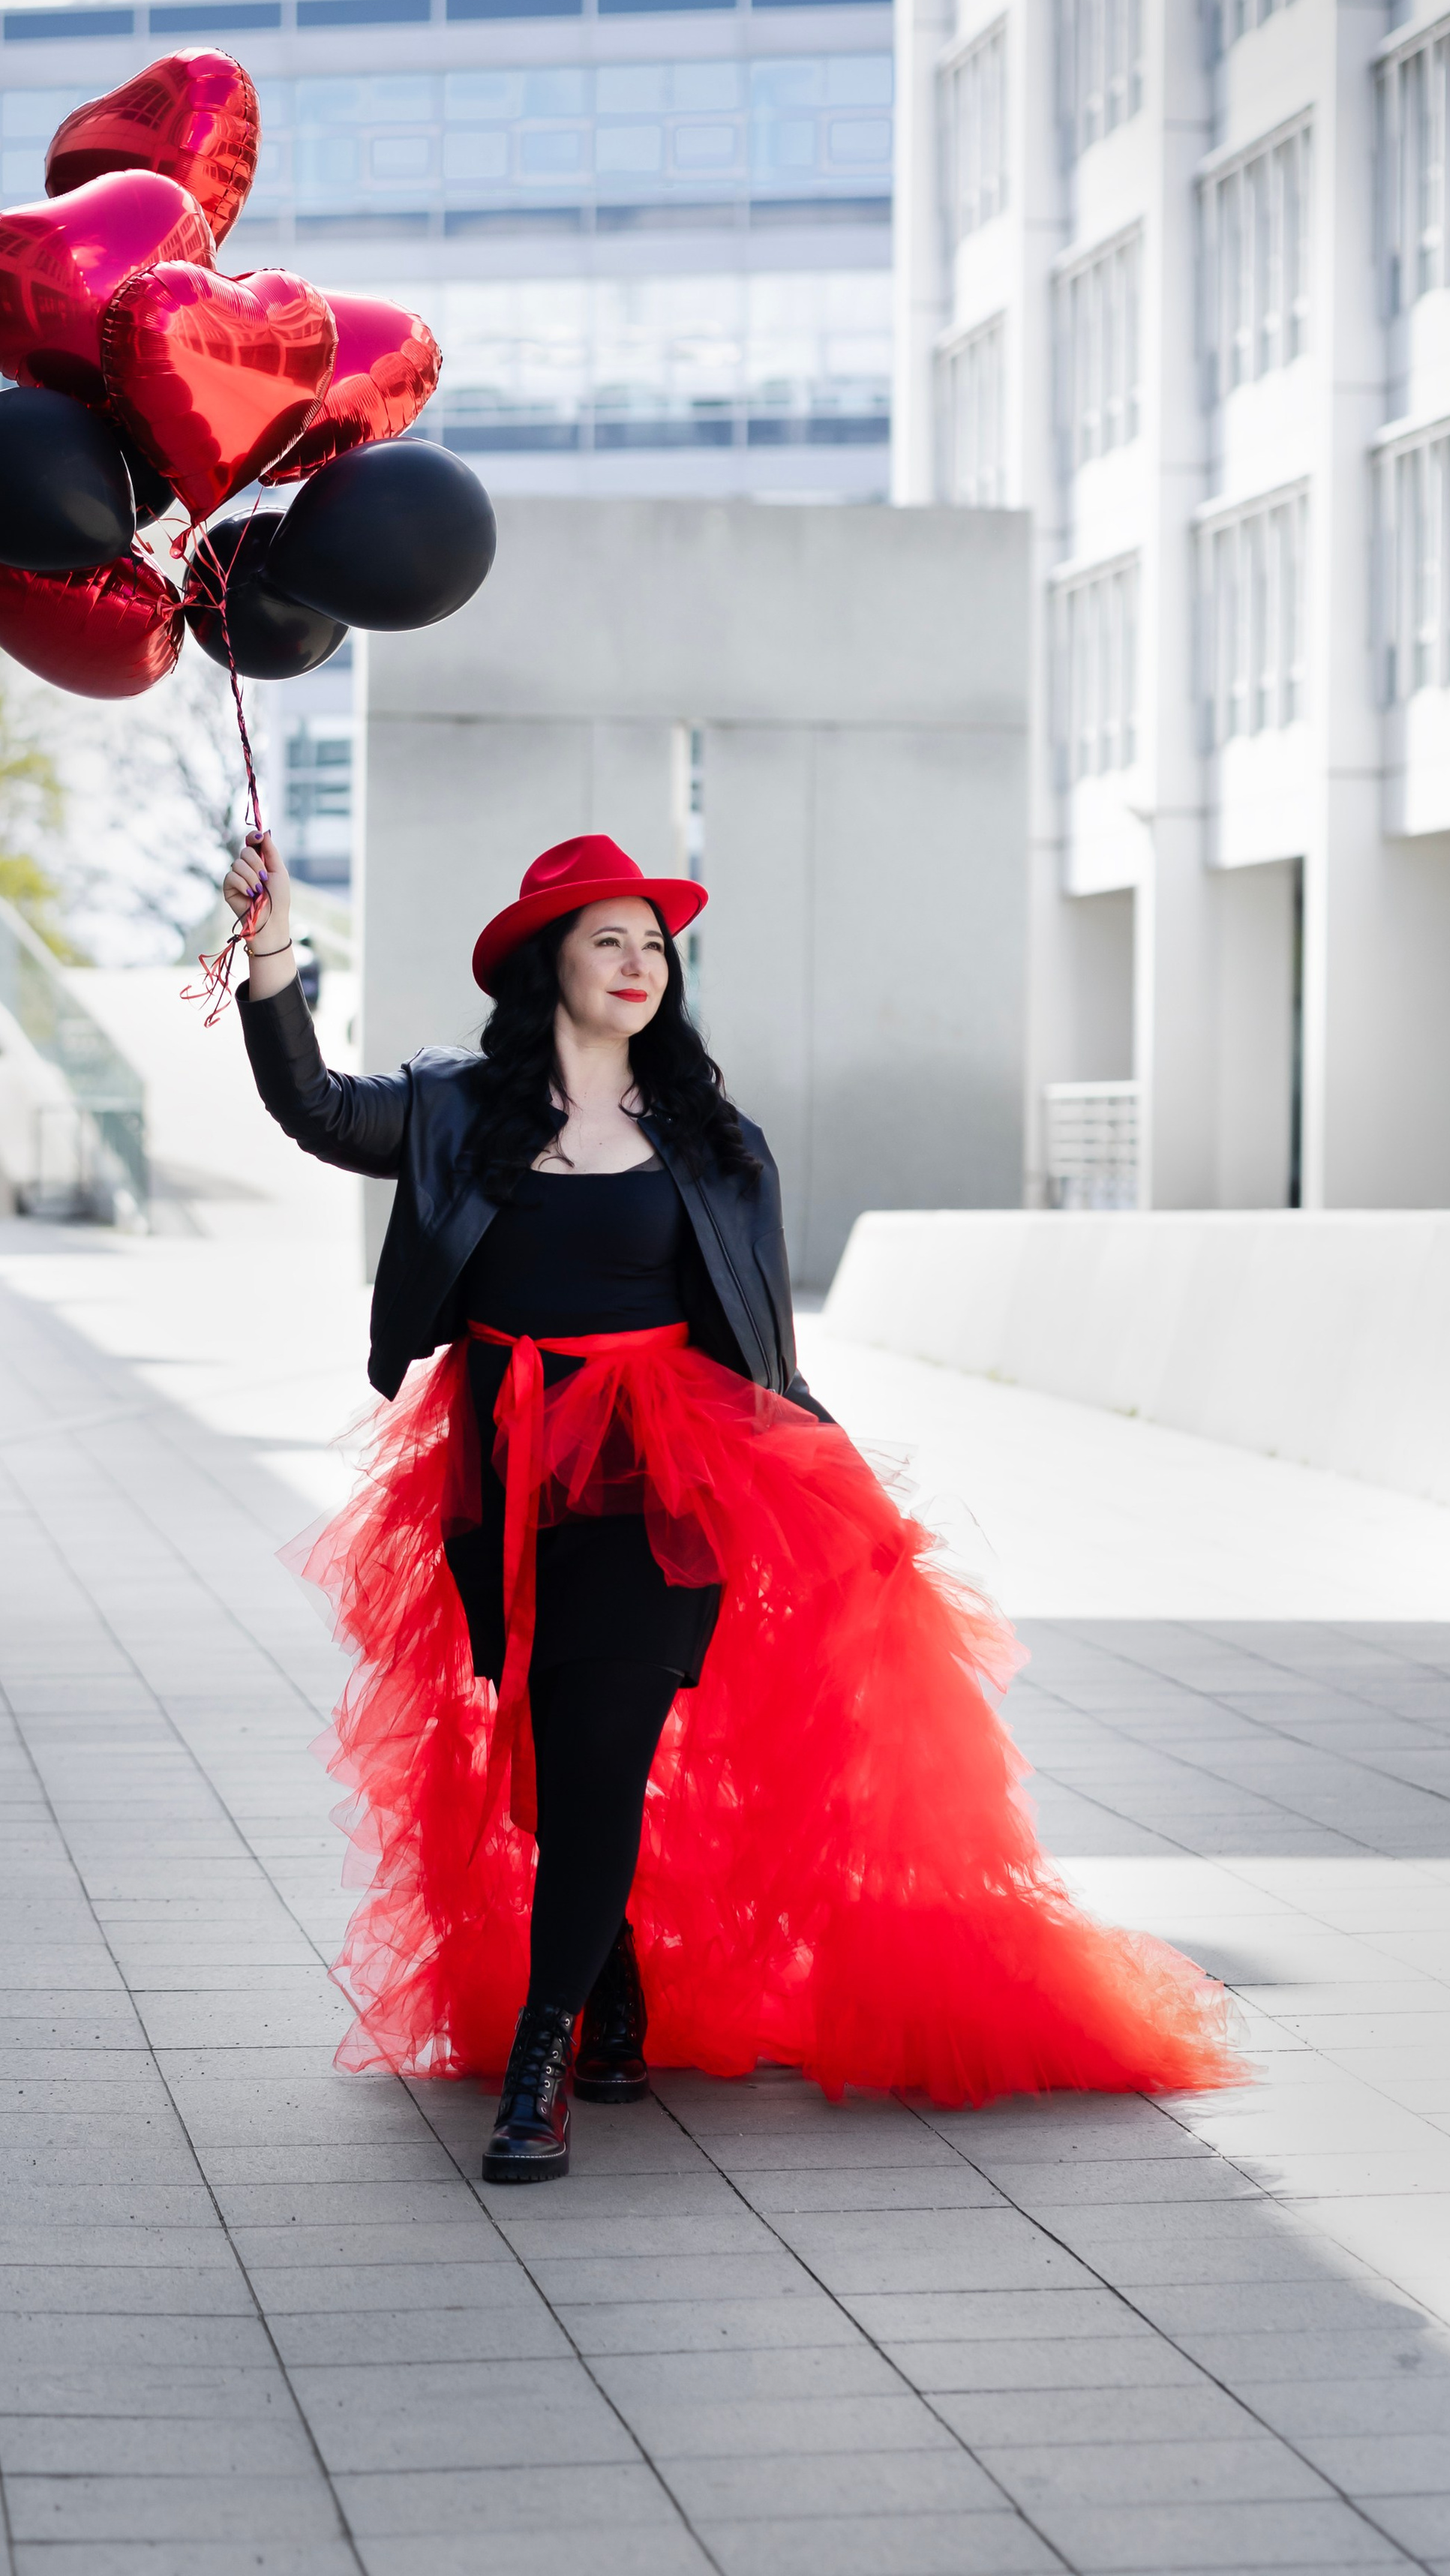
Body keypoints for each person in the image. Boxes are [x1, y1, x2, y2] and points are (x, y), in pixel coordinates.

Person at [227, 828, 1237, 2184]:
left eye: (656, 944)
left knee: (599, 1731)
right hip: (509, 1469)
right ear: (550, 965)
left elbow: (764, 1349)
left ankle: (545, 2054)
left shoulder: (711, 1139)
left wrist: (846, 1489)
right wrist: (276, 950)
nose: (640, 964)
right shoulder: (457, 1106)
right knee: (554, 1763)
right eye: (610, 939)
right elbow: (318, 1110)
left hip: (663, 1473)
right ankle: (621, 1984)